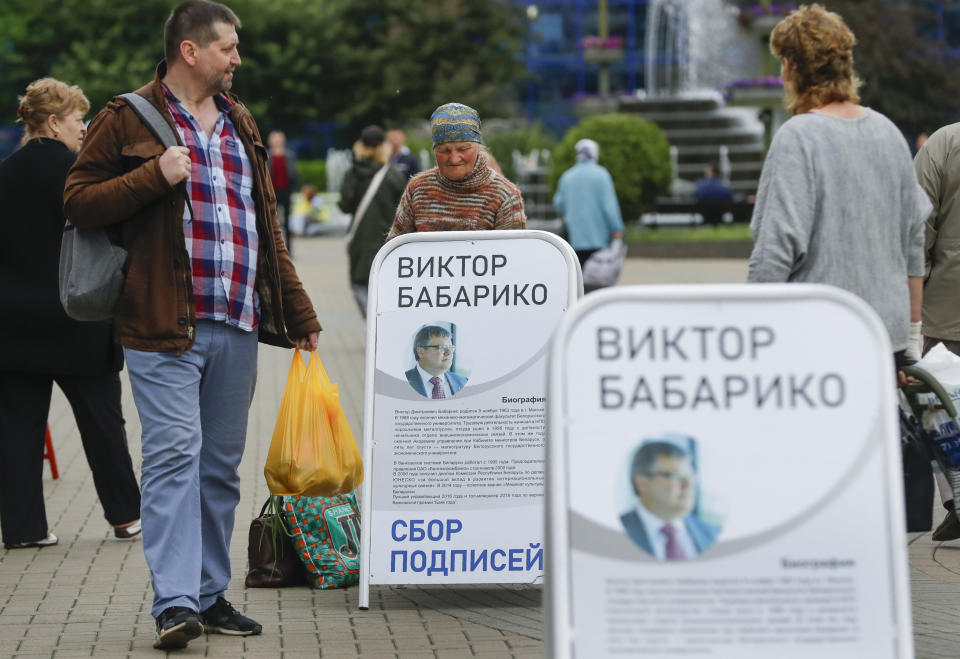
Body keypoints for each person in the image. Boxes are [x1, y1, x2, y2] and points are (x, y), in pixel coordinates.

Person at [63, 1, 321, 650]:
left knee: (220, 467)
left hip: (235, 319)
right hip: (160, 323)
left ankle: (209, 593)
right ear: (191, 51)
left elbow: (267, 227)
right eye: (229, 48)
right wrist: (154, 174)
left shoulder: (240, 122)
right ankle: (174, 602)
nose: (238, 59)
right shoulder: (125, 118)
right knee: (176, 454)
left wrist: (301, 313)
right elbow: (78, 199)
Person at [0, 78, 142, 551]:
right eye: (79, 119)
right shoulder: (83, 174)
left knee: (18, 429)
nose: (84, 128)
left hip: (15, 322)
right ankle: (125, 517)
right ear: (54, 121)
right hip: (78, 315)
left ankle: (24, 530)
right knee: (102, 423)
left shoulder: (5, 174)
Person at [748, 5, 929, 371]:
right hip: (884, 337)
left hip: (818, 338)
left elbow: (774, 253)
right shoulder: (889, 133)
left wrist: (753, 335)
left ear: (789, 67)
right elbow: (913, 241)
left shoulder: (797, 137)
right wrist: (911, 337)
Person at [912, 121, 960, 540]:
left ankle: (956, 501)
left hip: (949, 311)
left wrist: (919, 285)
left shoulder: (945, 143)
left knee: (939, 412)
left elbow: (916, 227)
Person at [386, 102, 526, 239]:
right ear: (434, 150)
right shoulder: (417, 189)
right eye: (444, 150)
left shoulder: (505, 194)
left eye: (463, 149)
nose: (454, 159)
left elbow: (512, 256)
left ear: (478, 146)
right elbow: (396, 251)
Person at [339, 125, 406, 316]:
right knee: (385, 285)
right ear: (384, 147)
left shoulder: (352, 174)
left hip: (359, 241)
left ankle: (370, 317)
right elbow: (403, 211)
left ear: (360, 147)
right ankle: (381, 321)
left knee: (359, 284)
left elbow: (344, 206)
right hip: (387, 242)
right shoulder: (394, 175)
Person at [620, 440, 719, 560]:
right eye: (676, 476)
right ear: (642, 482)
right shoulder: (615, 535)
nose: (688, 485)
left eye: (691, 477)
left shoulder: (712, 533)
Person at [552, 138, 624, 268]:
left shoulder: (567, 176)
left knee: (578, 276)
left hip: (574, 237)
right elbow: (610, 206)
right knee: (597, 276)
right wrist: (616, 228)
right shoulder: (602, 175)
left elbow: (559, 204)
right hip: (599, 238)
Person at [404, 325, 467, 399]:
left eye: (451, 348)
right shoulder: (401, 383)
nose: (449, 352)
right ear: (420, 352)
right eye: (442, 347)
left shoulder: (463, 382)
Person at [267, 129, 298, 255]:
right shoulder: (267, 155)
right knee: (271, 222)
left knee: (287, 222)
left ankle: (288, 250)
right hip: (271, 192)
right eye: (275, 139)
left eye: (279, 139)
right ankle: (272, 250)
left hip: (286, 192)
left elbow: (294, 173)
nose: (277, 141)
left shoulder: (289, 155)